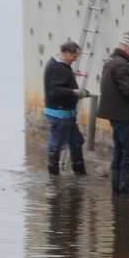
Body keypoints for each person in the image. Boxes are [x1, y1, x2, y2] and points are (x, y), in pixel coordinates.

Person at [96, 31, 129, 196]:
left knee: (119, 150)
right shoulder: (122, 64)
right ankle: (125, 192)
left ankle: (116, 190)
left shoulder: (109, 62)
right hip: (123, 115)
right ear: (127, 49)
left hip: (113, 114)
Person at [43, 41, 88, 176]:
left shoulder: (61, 65)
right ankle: (54, 177)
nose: (75, 60)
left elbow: (60, 81)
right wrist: (74, 92)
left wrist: (71, 75)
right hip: (59, 114)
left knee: (76, 141)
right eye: (74, 57)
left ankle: (79, 173)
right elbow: (55, 90)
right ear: (67, 52)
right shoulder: (57, 67)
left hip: (66, 114)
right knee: (56, 145)